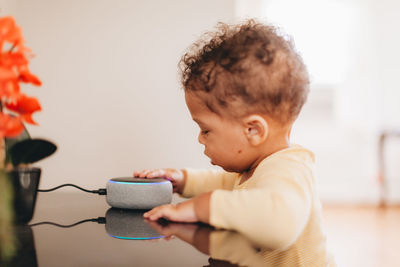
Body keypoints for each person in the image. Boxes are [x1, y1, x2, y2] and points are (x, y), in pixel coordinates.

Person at [135, 19, 335, 266]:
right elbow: (226, 183)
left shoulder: (289, 169)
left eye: (205, 129)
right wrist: (183, 180)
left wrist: (201, 207)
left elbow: (279, 224)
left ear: (253, 130)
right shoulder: (257, 169)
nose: (200, 138)